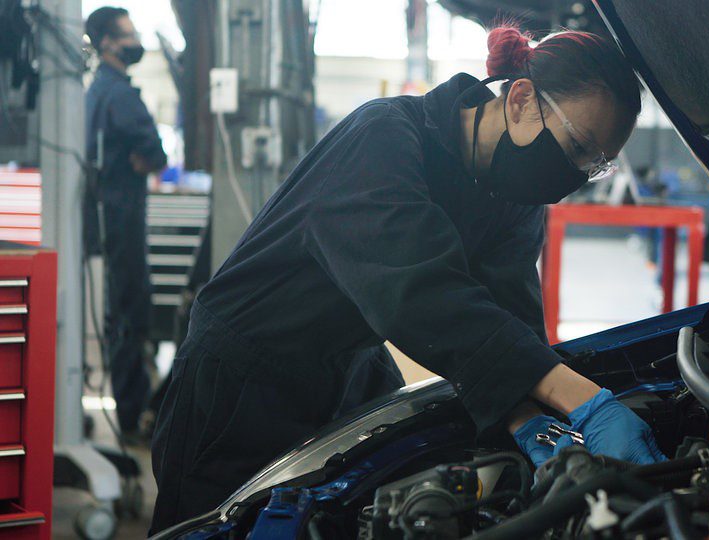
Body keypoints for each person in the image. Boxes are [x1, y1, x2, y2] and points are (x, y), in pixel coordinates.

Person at [150, 25, 665, 533]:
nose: (574, 176)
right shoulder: (384, 137)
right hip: (243, 379)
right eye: (578, 147)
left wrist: (530, 419)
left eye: (595, 167)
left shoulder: (513, 194)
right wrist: (587, 403)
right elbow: (420, 293)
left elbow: (512, 316)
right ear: (521, 100)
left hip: (350, 367)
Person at [84, 7, 167, 443]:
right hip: (122, 218)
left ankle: (132, 410)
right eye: (127, 34)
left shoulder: (96, 91)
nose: (135, 41)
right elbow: (152, 149)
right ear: (106, 44)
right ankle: (132, 419)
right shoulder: (118, 94)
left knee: (120, 313)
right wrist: (150, 159)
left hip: (106, 218)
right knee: (131, 315)